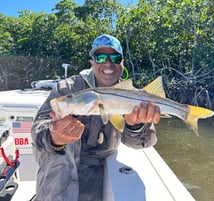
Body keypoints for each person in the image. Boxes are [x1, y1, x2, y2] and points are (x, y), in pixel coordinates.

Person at [31, 34, 161, 201]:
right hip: (59, 163)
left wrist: (134, 126)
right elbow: (37, 130)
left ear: (122, 62)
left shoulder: (132, 96)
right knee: (60, 155)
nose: (108, 63)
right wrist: (54, 137)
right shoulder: (68, 88)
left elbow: (142, 142)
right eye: (100, 57)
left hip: (98, 164)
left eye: (115, 57)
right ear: (91, 62)